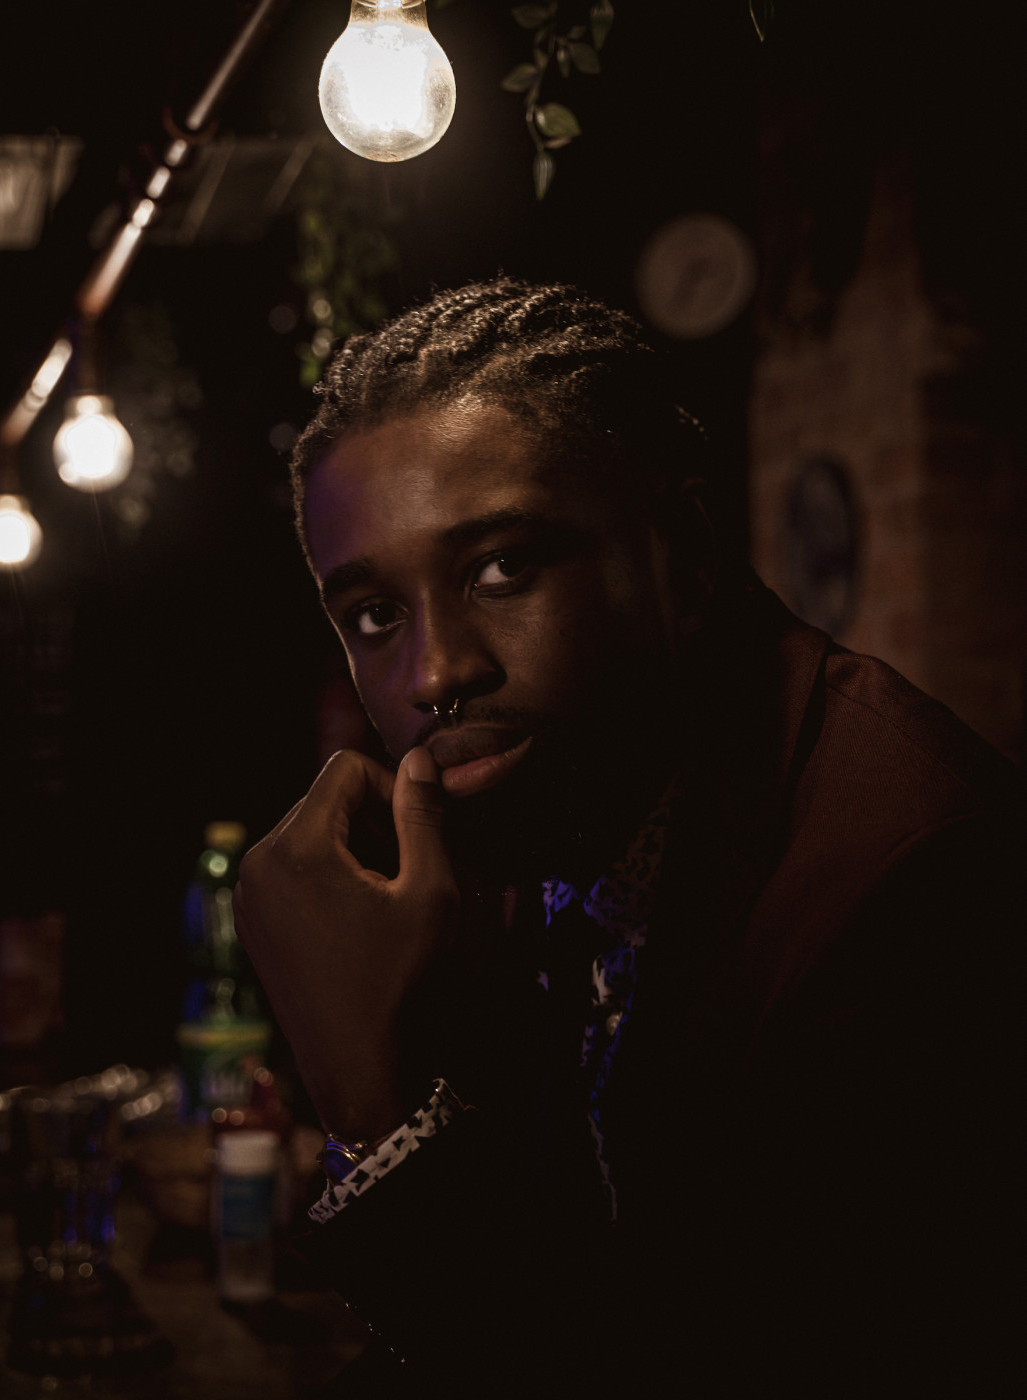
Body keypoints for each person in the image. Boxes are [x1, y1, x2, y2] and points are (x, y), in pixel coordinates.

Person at [233, 279, 1022, 1397]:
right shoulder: (542, 815)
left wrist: (377, 1108)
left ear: (685, 551)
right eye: (375, 616)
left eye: (502, 568)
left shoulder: (921, 887)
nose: (435, 673)